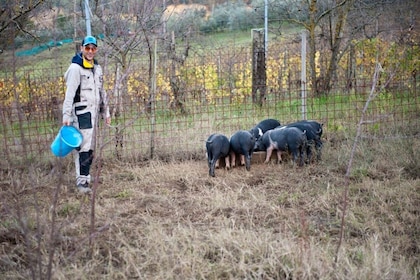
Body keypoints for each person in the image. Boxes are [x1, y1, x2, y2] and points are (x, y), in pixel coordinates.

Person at [62, 35, 111, 194]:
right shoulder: (75, 68)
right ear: (82, 48)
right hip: (81, 113)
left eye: (93, 48)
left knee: (89, 148)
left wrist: (106, 112)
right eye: (87, 48)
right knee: (83, 147)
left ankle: (85, 178)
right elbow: (69, 95)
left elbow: (101, 92)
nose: (90, 51)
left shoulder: (97, 68)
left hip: (94, 113)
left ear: (96, 50)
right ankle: (82, 183)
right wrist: (66, 116)